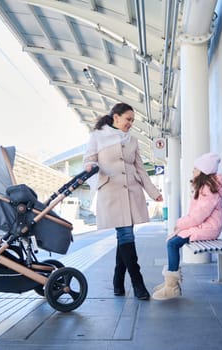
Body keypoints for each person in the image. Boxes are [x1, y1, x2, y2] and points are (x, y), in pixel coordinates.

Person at [83, 102, 163, 300]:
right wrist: (91, 165)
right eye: (128, 119)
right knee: (126, 235)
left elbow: (140, 169)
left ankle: (118, 281)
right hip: (111, 193)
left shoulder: (133, 141)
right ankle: (138, 283)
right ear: (115, 117)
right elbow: (88, 159)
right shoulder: (97, 136)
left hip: (132, 193)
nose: (130, 124)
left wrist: (153, 192)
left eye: (133, 121)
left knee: (124, 236)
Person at [152, 152, 222, 300]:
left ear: (203, 171)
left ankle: (172, 287)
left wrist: (180, 224)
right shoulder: (206, 188)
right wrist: (182, 226)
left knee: (173, 243)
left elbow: (199, 216)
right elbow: (198, 216)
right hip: (206, 226)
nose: (193, 171)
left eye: (195, 168)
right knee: (172, 241)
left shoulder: (209, 190)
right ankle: (170, 282)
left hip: (209, 229)